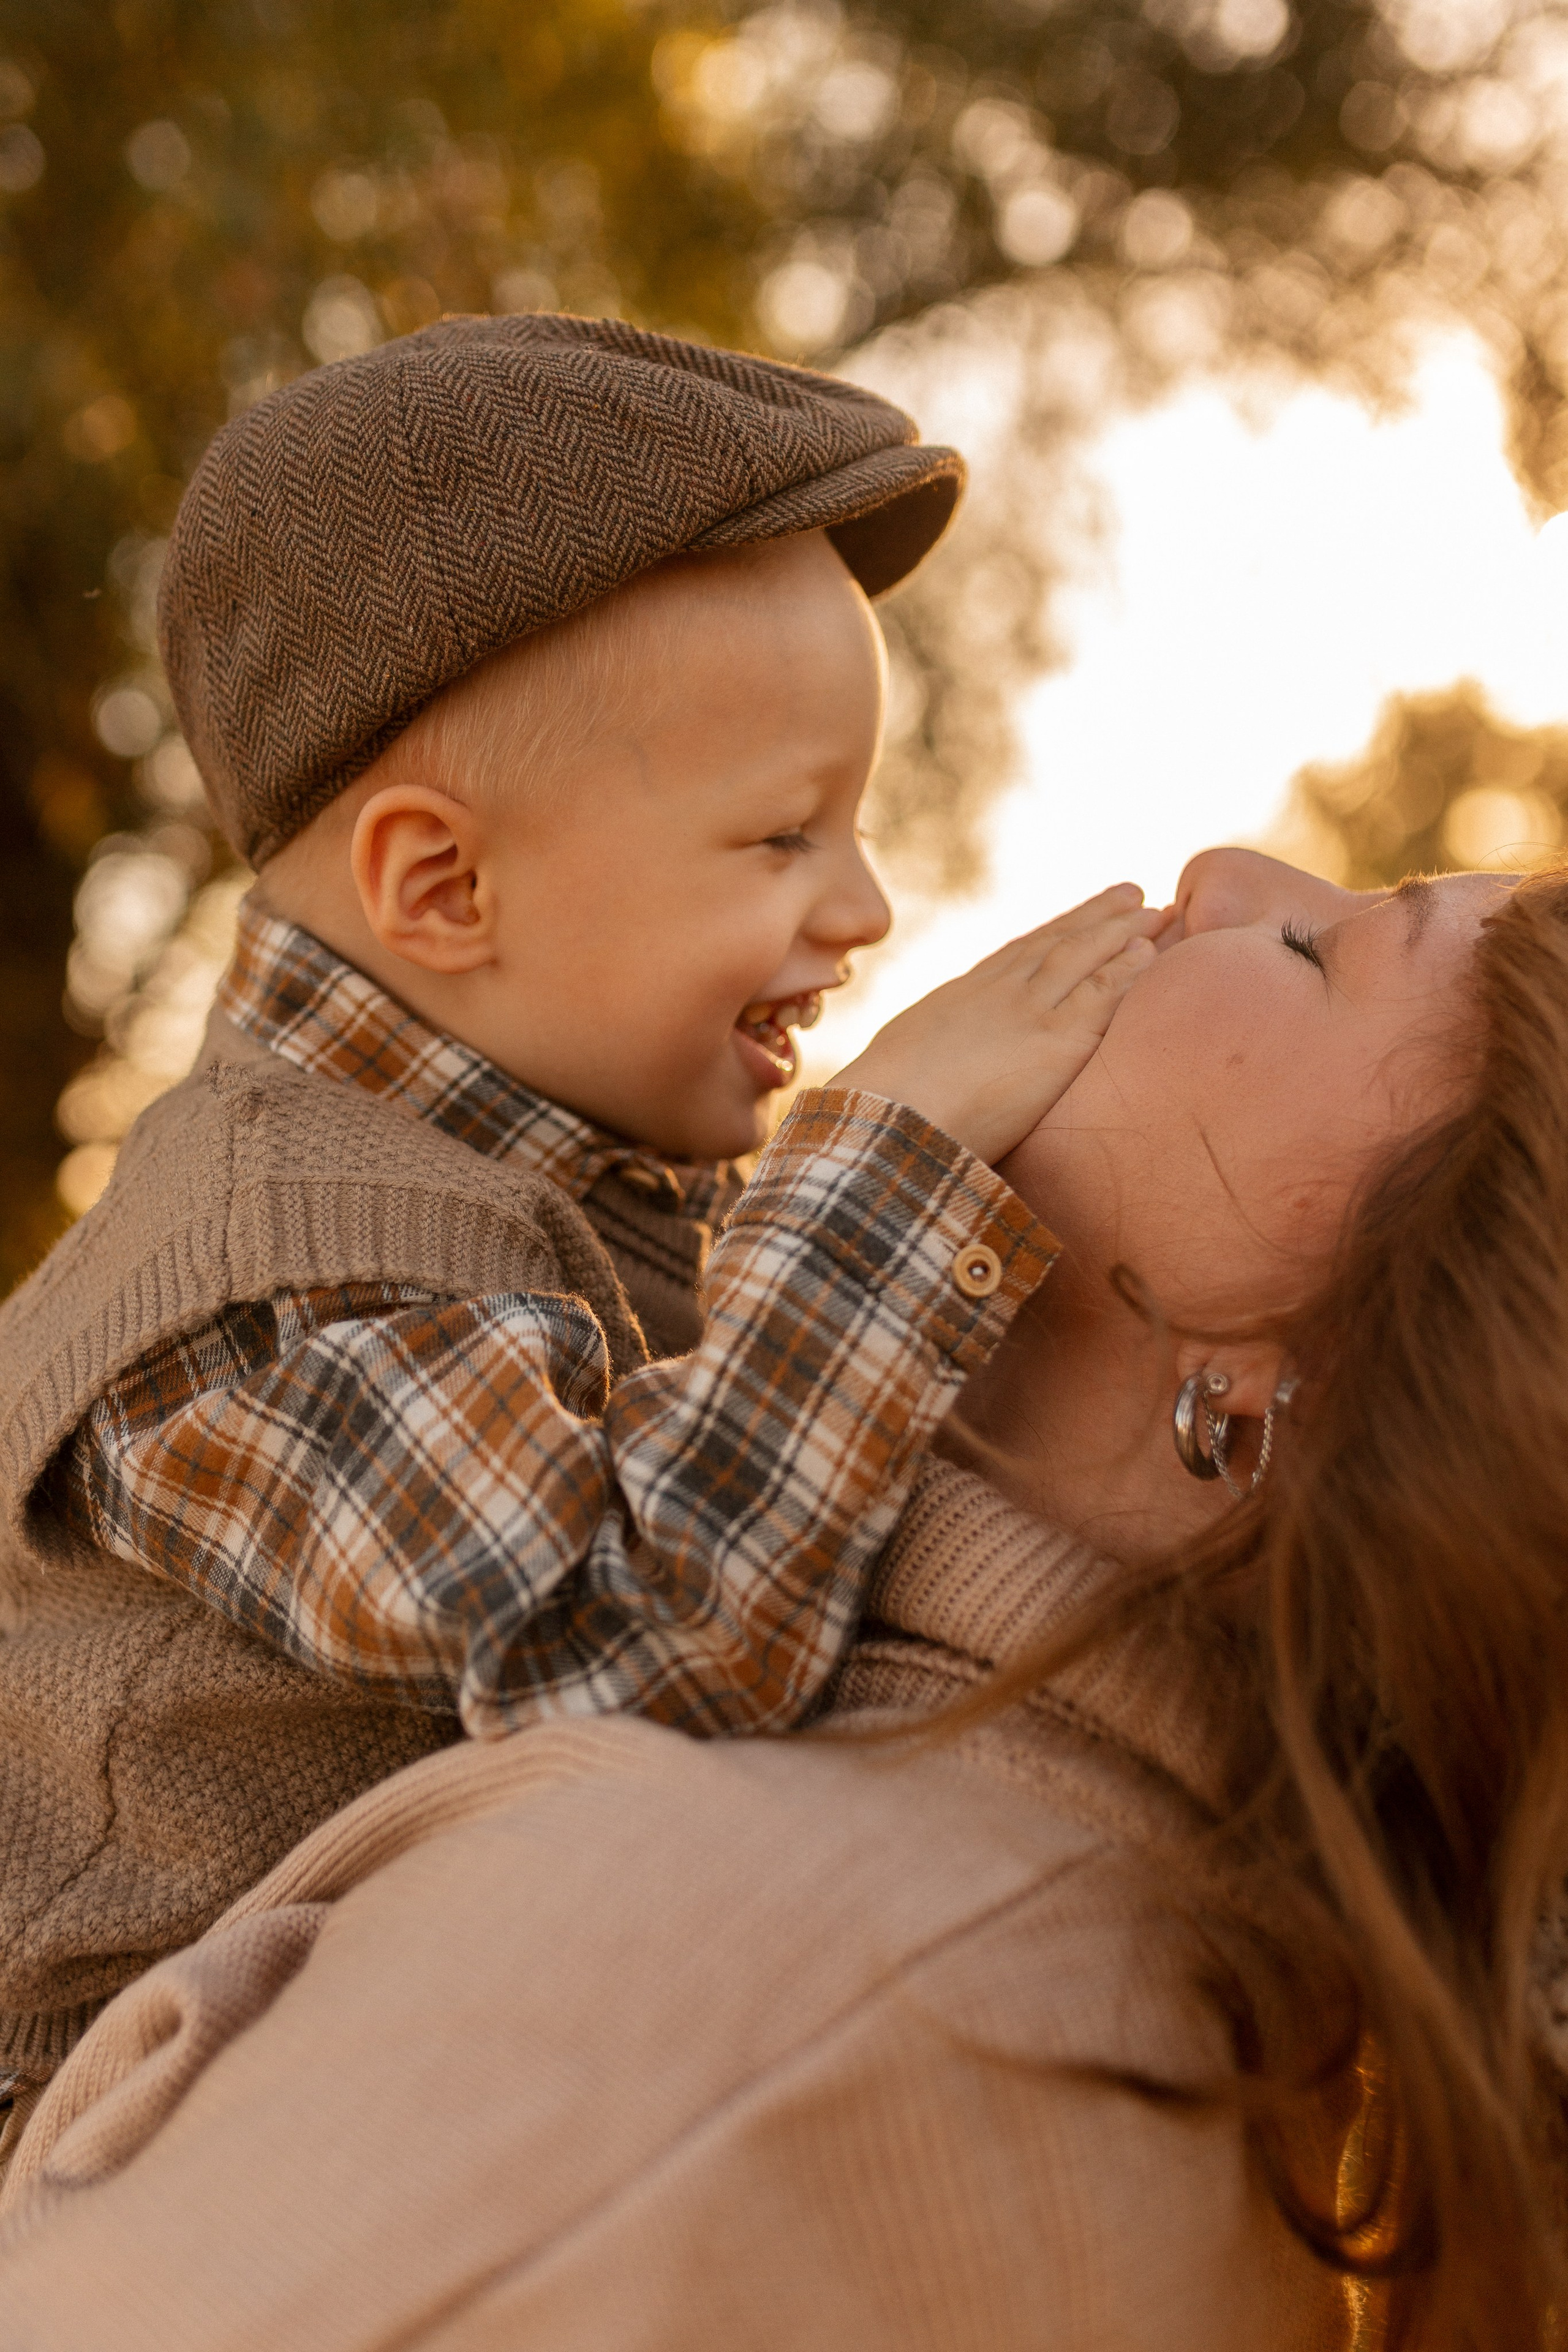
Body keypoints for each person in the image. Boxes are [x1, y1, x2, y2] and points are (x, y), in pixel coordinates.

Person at [4, 846, 1561, 2350]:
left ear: (1305, 1392)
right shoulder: (1051, 1944)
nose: (1221, 878)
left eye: (1314, 953)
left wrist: (865, 1175)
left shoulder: (741, 2000)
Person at [0, 315, 1163, 2117]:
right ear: (444, 887)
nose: (864, 908)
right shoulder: (277, 1283)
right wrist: (889, 1163)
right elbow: (631, 1651)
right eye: (782, 836)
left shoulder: (571, 1191)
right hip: (102, 2161)